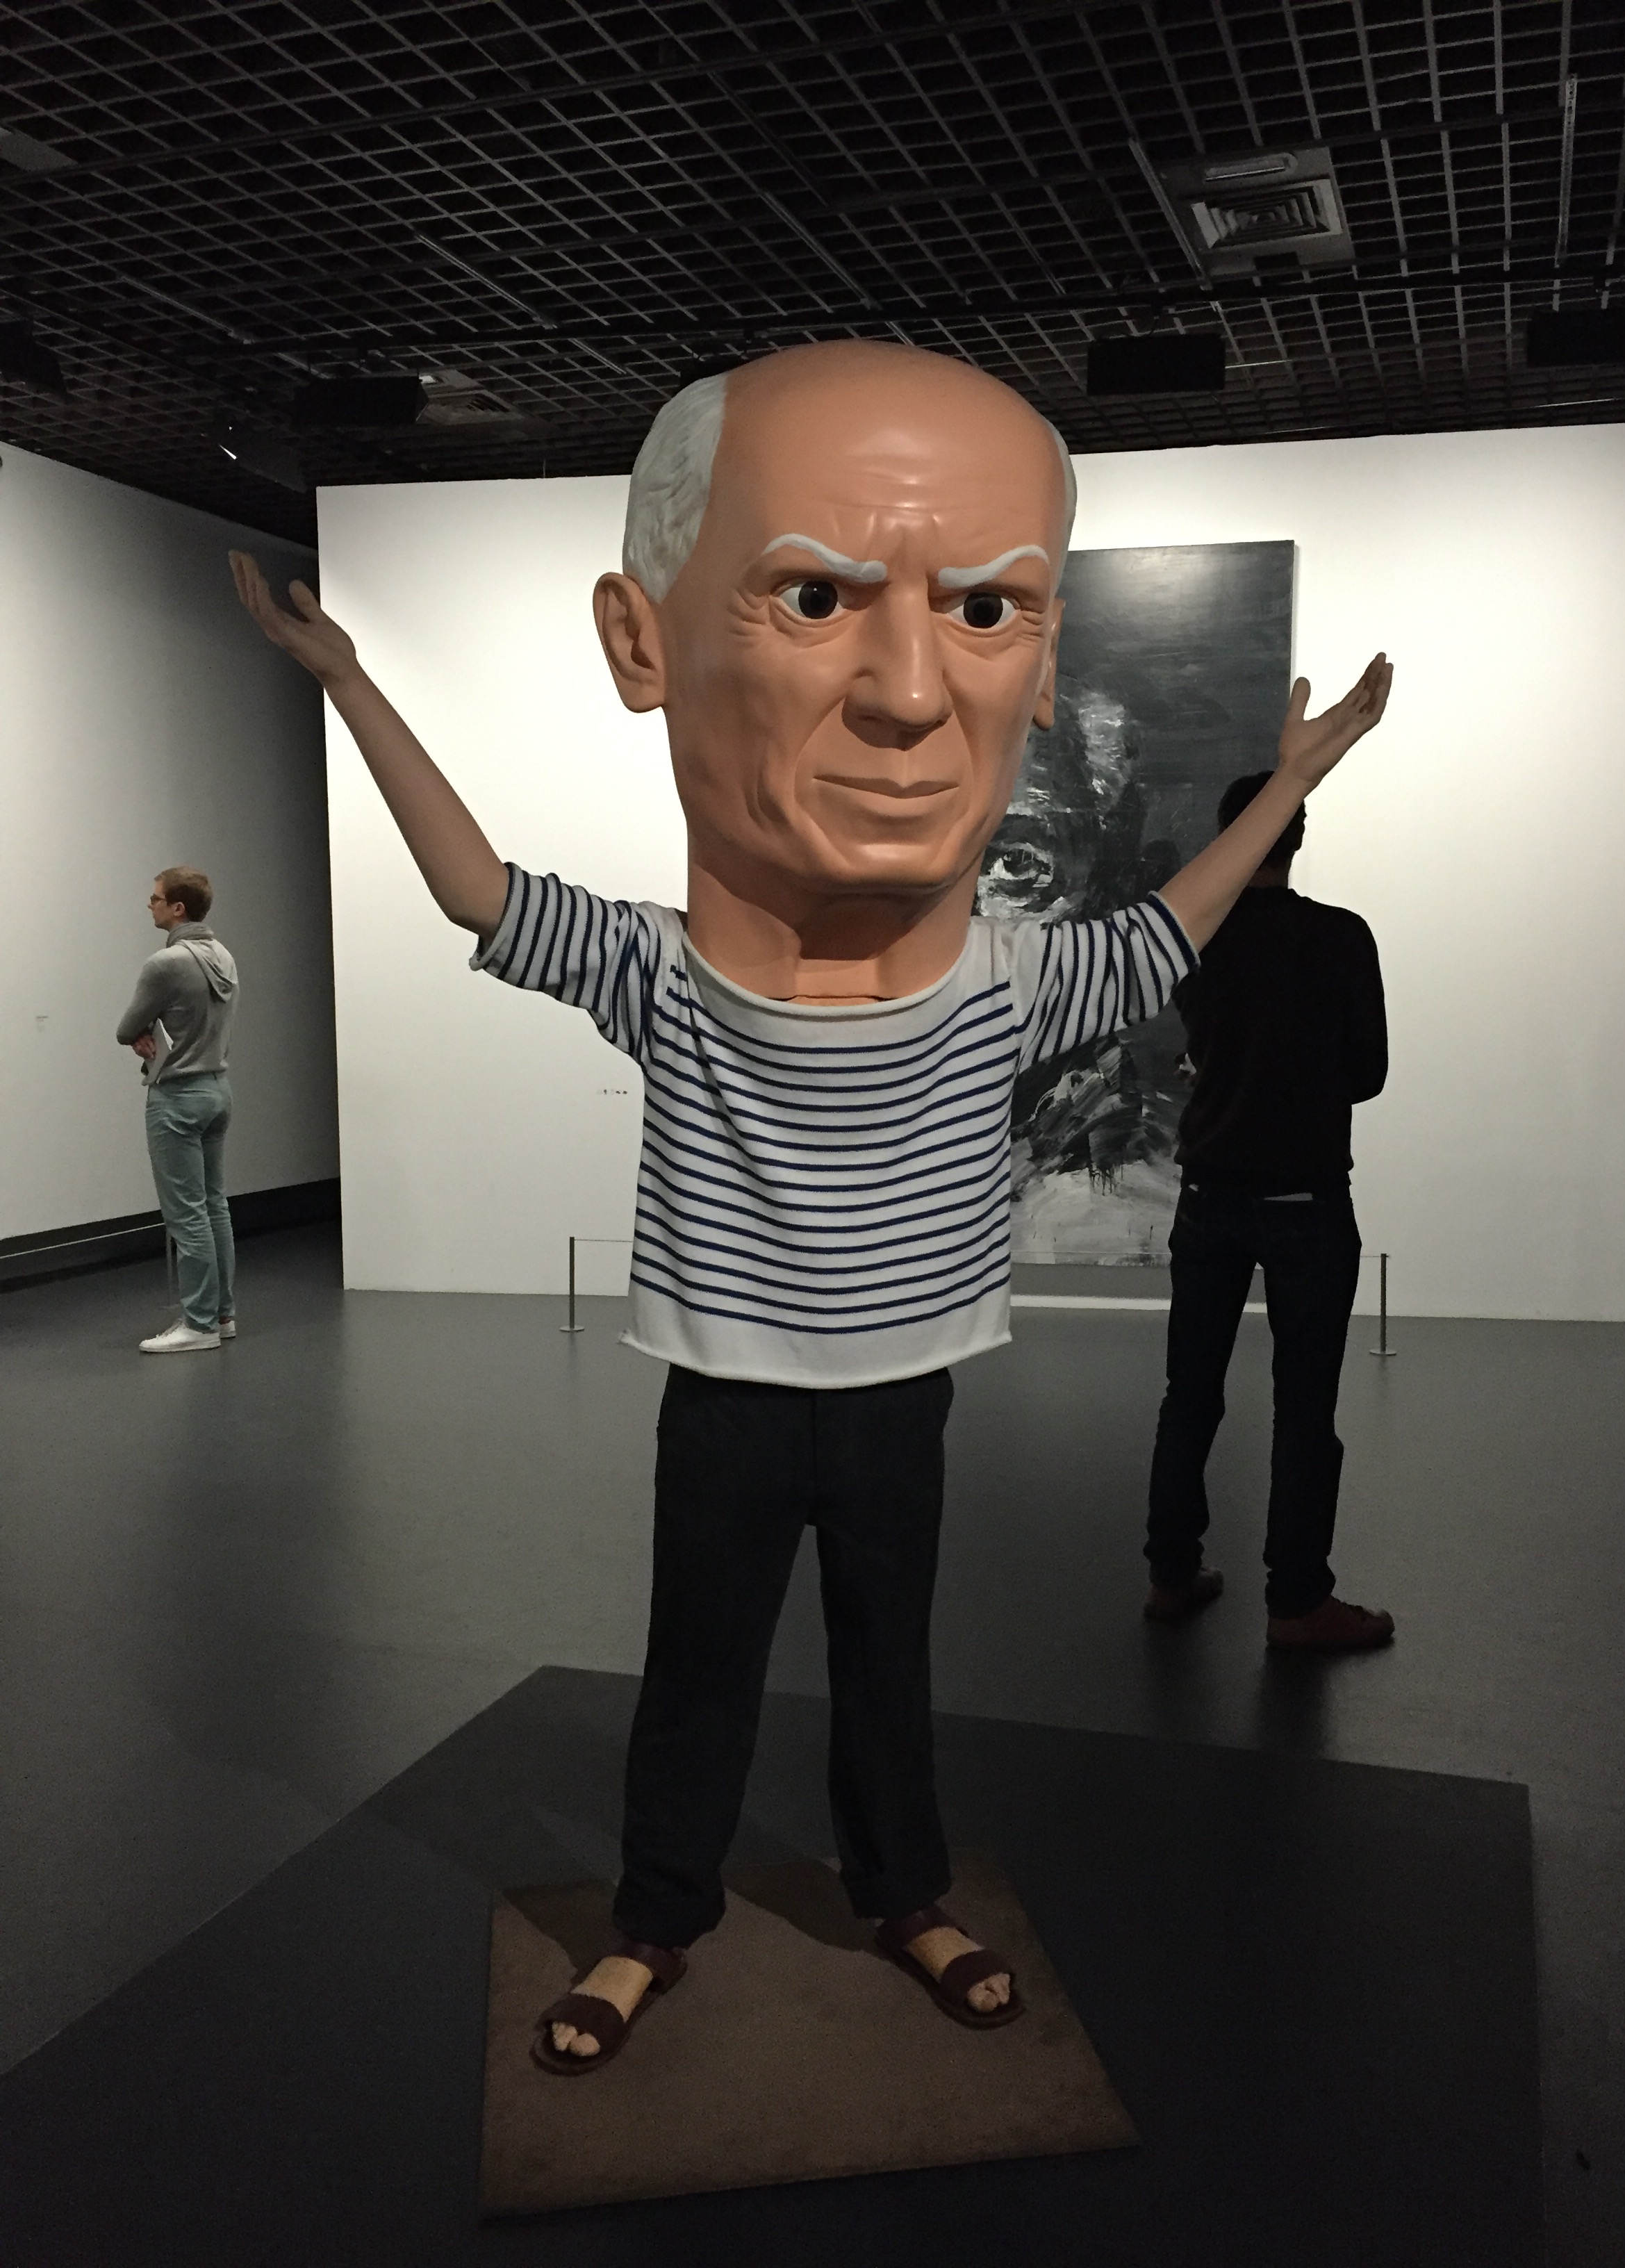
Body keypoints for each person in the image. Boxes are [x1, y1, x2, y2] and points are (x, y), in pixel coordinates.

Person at [231, 340, 1391, 2076]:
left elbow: (1166, 933)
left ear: (1037, 661)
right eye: (815, 596)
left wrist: (1290, 785)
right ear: (644, 643)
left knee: (884, 1663)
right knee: (697, 1670)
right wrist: (350, 685)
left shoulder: (1004, 985)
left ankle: (903, 1891)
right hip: (727, 1394)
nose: (909, 695)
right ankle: (654, 1922)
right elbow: (481, 893)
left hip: (896, 1397)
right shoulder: (667, 980)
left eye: (986, 611)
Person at [1143, 773, 1394, 1651]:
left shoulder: (1196, 939)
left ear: (1231, 834)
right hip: (1305, 1203)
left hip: (1209, 1196)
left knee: (1190, 1396)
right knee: (1305, 1408)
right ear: (1297, 837)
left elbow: (1195, 1050)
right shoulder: (1341, 937)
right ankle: (1297, 1602)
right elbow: (1368, 1073)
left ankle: (1171, 1575)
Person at [115, 868, 240, 1355]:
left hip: (177, 1098)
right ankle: (222, 1315)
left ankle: (199, 1324)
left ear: (178, 908)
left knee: (186, 1215)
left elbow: (127, 1028)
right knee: (214, 1206)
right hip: (217, 1090)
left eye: (156, 898)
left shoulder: (165, 963)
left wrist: (140, 1035)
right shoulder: (224, 957)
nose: (150, 904)